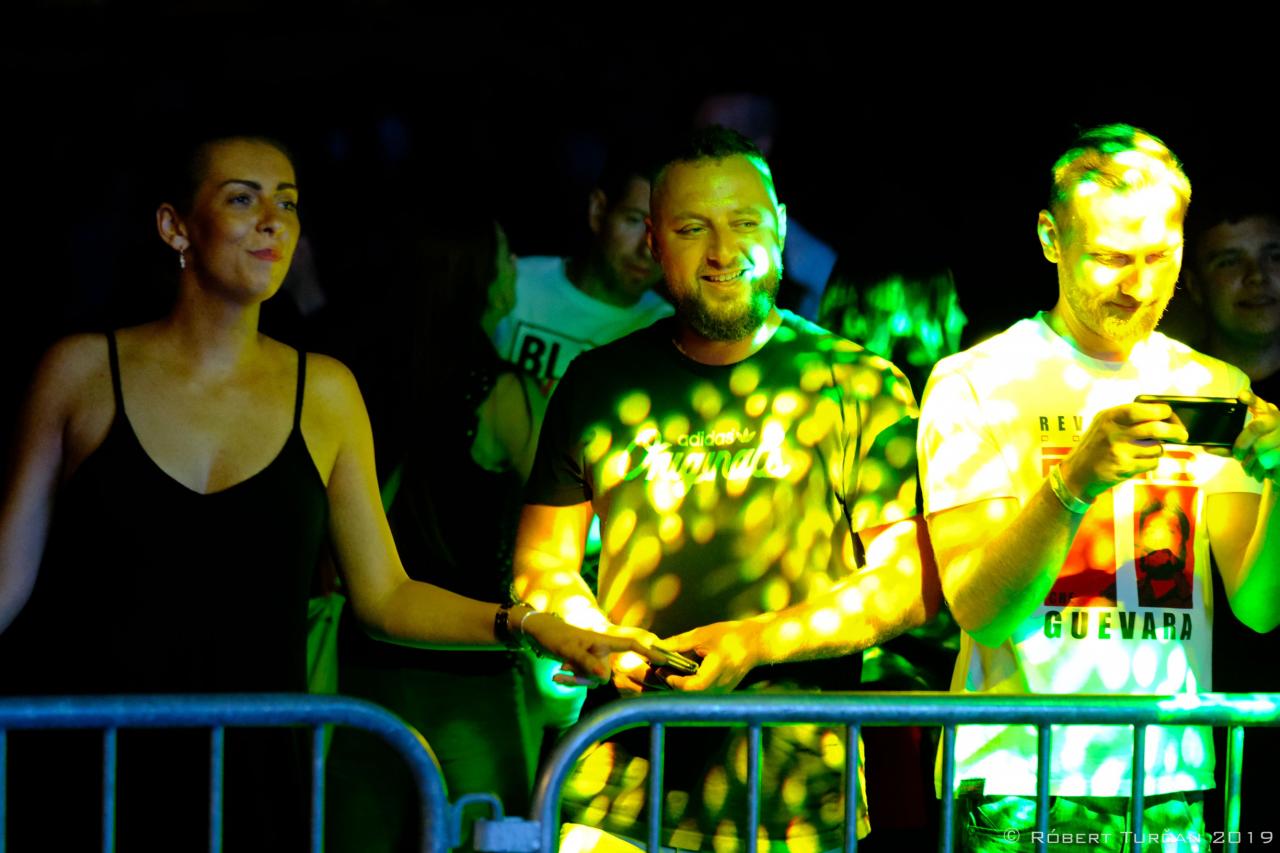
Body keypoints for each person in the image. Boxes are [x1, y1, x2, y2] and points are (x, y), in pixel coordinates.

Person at [0, 134, 653, 851]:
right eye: (243, 198)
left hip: (255, 769)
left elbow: (384, 594)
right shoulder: (81, 374)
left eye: (288, 204)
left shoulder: (325, 393)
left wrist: (530, 624)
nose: (272, 221)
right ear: (174, 226)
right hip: (94, 761)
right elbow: (8, 581)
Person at [514, 126, 937, 853]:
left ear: (780, 228)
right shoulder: (597, 382)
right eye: (692, 228)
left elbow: (908, 584)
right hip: (614, 776)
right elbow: (541, 562)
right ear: (654, 242)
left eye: (744, 222)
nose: (721, 250)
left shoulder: (860, 382)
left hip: (794, 796)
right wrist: (596, 638)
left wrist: (756, 642)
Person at [918, 124, 1280, 852]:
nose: (1138, 285)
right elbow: (981, 611)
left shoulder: (1211, 383)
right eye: (1112, 258)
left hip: (1171, 772)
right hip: (1020, 778)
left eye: (1160, 256)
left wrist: (1277, 480)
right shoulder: (976, 381)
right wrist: (1073, 483)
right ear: (1051, 238)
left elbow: (1260, 607)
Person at [327, 209, 547, 853]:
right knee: (489, 835)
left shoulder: (360, 383)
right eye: (504, 257)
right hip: (472, 671)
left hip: (362, 672)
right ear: (477, 277)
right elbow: (561, 509)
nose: (515, 269)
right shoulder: (503, 395)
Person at [1180, 182, 1280, 840]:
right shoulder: (1173, 397)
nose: (1257, 278)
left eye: (1273, 255)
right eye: (1228, 260)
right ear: (1192, 282)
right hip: (1206, 720)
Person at [492, 149, 673, 387]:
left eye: (668, 230)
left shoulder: (669, 336)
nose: (647, 249)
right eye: (634, 220)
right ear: (598, 211)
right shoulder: (514, 285)